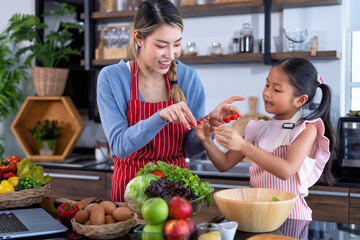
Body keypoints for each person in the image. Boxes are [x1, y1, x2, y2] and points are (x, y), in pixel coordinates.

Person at [97, 0, 243, 202]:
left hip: (177, 188)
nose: (171, 54)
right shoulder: (112, 77)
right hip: (131, 191)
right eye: (161, 45)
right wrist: (160, 117)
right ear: (139, 38)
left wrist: (207, 125)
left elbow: (189, 149)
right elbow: (120, 146)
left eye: (177, 44)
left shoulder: (188, 78)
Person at [195, 58, 336, 220]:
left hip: (292, 218)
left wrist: (244, 146)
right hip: (259, 215)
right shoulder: (258, 128)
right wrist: (206, 139)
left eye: (277, 90)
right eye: (267, 85)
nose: (267, 93)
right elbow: (224, 164)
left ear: (300, 100)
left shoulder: (306, 129)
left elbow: (286, 170)